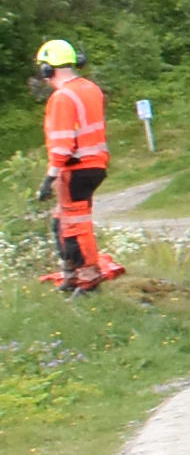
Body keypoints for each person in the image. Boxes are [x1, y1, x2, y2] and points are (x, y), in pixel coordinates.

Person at [33, 36, 114, 291]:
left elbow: (62, 145)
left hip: (75, 168)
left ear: (48, 69)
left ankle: (88, 280)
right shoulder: (91, 88)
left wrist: (49, 179)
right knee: (61, 222)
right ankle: (70, 276)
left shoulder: (62, 97)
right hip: (95, 165)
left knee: (74, 227)